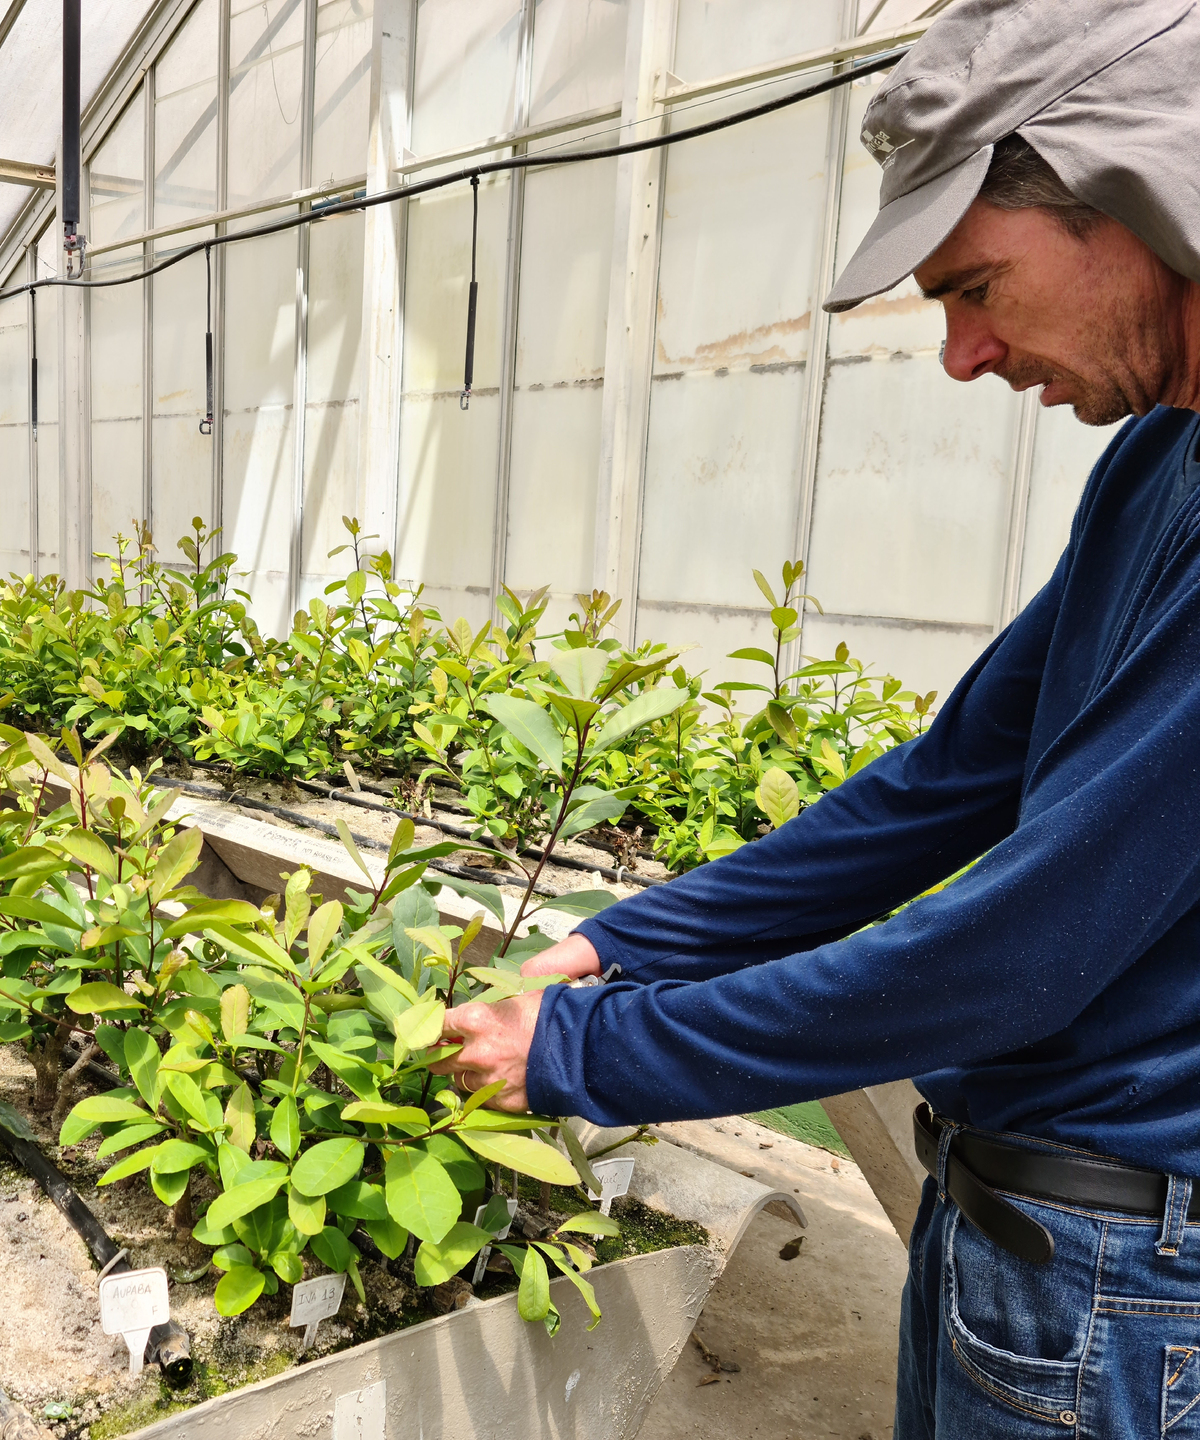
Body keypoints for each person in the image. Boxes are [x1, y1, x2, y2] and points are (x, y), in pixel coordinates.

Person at [431, 2, 1200, 1435]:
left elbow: (1013, 954)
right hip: (1027, 1232)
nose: (964, 356)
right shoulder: (1159, 457)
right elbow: (940, 786)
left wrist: (584, 1052)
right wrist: (626, 938)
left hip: (1138, 1283)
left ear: (1133, 198)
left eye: (976, 286)